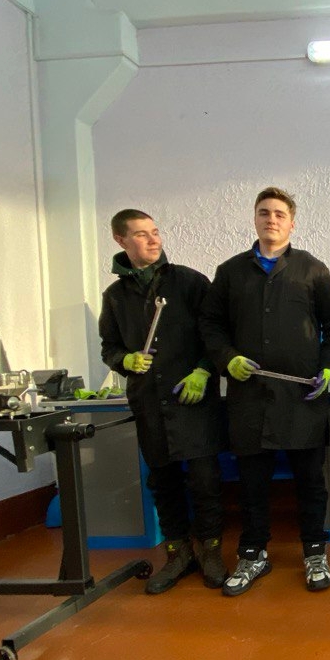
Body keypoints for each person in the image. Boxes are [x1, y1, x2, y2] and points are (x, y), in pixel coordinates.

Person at [199, 187, 330, 595]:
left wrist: (328, 367)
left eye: (280, 214)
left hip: (303, 398)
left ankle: (314, 551)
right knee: (252, 484)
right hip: (249, 399)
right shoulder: (230, 272)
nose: (271, 219)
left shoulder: (313, 270)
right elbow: (210, 324)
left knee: (310, 482)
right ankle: (253, 554)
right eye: (264, 212)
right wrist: (226, 358)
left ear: (292, 223)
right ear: (255, 219)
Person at [98, 208, 227, 595]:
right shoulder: (115, 297)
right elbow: (109, 347)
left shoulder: (189, 282)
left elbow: (216, 334)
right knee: (163, 482)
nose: (153, 239)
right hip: (150, 404)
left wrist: (203, 370)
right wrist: (125, 361)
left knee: (205, 481)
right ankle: (178, 554)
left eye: (155, 231)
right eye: (141, 234)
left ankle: (211, 552)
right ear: (121, 240)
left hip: (193, 401)